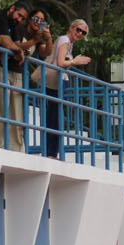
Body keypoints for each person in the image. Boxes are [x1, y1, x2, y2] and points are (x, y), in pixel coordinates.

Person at [0, 0, 30, 151]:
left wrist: (18, 49)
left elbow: (15, 42)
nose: (19, 19)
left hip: (5, 68)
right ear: (12, 8)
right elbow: (4, 40)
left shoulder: (13, 24)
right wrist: (17, 51)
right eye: (19, 15)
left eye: (22, 18)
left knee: (14, 112)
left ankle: (16, 149)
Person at [43, 19, 92, 159]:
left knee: (56, 116)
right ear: (72, 28)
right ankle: (51, 152)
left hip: (60, 81)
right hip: (57, 81)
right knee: (55, 117)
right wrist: (75, 61)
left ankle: (52, 152)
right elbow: (60, 63)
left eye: (83, 33)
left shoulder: (68, 43)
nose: (80, 34)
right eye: (78, 30)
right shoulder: (64, 40)